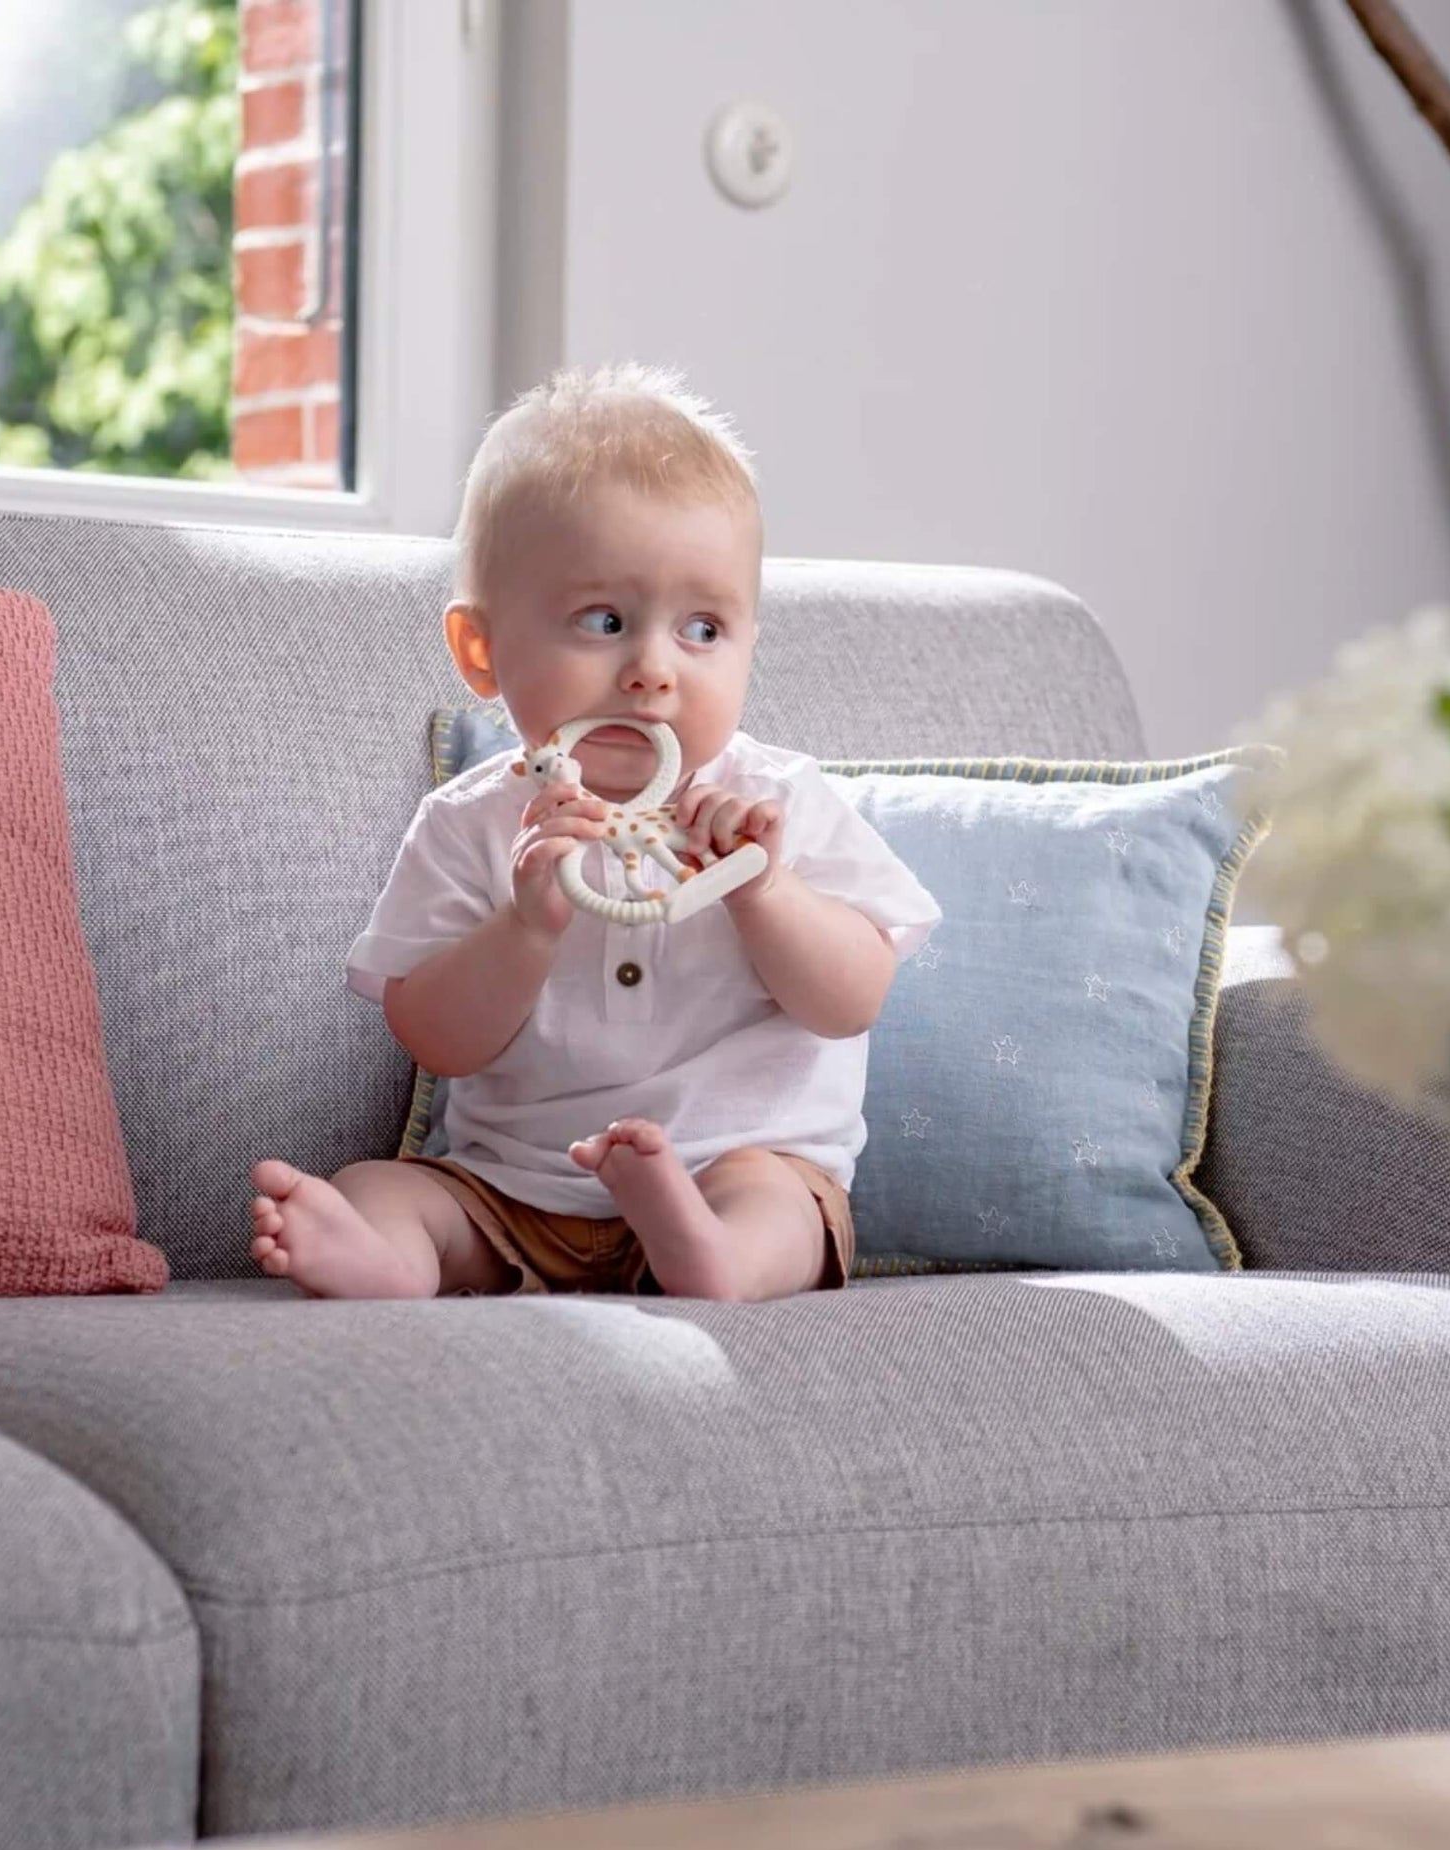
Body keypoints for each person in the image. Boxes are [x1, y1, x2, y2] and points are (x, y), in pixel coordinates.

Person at [249, 365, 939, 1301]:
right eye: (605, 621)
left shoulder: (779, 804)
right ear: (481, 652)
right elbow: (437, 1038)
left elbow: (852, 999)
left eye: (703, 628)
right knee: (389, 1187)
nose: (653, 670)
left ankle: (710, 1256)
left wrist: (763, 890)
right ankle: (389, 1261)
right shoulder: (472, 821)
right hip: (517, 1190)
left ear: (749, 645)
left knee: (780, 1204)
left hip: (735, 1168)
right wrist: (525, 924)